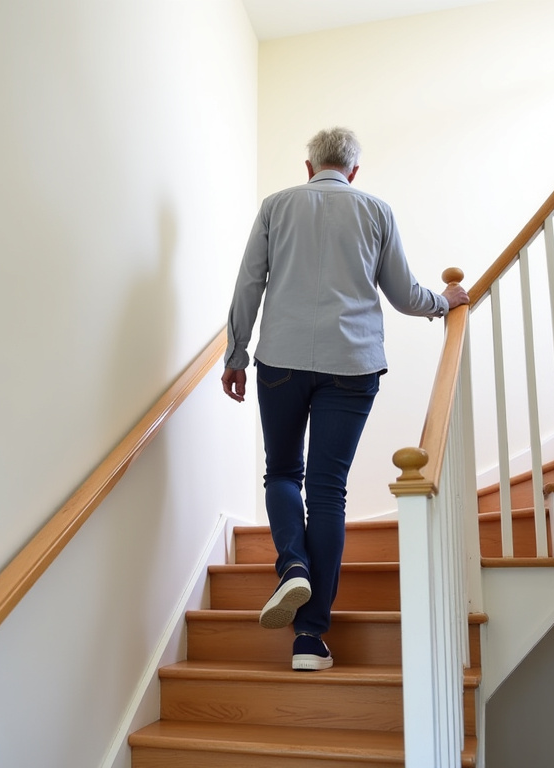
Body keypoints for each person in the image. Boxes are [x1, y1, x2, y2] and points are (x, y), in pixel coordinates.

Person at [221, 127, 469, 671]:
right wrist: (444, 301)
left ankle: (293, 568)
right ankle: (310, 640)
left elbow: (248, 285)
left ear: (308, 166)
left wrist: (236, 353)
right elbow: (405, 295)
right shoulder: (376, 211)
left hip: (281, 361)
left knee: (283, 473)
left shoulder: (276, 207)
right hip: (352, 366)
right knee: (328, 491)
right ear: (353, 171)